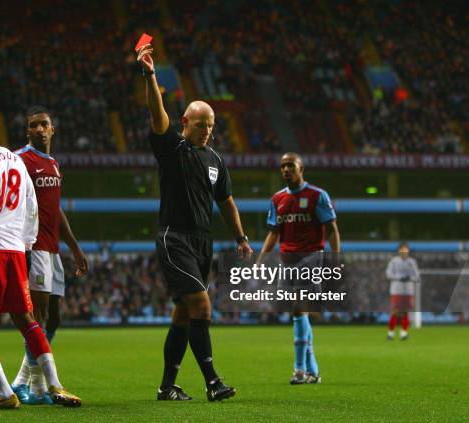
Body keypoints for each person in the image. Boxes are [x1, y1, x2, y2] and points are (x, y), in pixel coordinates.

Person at [136, 43, 253, 402]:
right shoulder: (172, 147)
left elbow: (227, 202)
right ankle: (213, 382)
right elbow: (157, 115)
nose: (206, 130)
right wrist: (151, 76)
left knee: (184, 316)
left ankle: (166, 386)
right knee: (202, 307)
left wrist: (241, 238)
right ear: (185, 122)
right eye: (200, 123)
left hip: (204, 242)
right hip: (175, 239)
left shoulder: (215, 158)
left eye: (211, 125)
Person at [0, 109, 80, 410]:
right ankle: (55, 385)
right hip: (15, 252)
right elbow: (32, 207)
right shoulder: (15, 161)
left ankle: (4, 392)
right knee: (27, 319)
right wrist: (25, 247)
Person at [11, 106, 88, 404]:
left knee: (53, 319)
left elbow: (54, 210)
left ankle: (21, 381)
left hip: (53, 249)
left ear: (53, 128)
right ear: (27, 130)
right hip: (33, 247)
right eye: (34, 125)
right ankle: (40, 389)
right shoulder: (20, 160)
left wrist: (75, 247)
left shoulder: (53, 164)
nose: (40, 129)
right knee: (39, 318)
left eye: (44, 124)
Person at [257, 152, 340, 385]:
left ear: (301, 168)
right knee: (298, 312)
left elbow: (332, 229)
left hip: (311, 257)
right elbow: (274, 231)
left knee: (298, 308)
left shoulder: (317, 196)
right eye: (282, 166)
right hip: (287, 260)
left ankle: (299, 369)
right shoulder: (277, 199)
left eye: (290, 165)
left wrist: (335, 258)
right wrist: (261, 258)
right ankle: (313, 370)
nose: (285, 170)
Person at [385, 242, 420, 340]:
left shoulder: (412, 262)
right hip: (396, 290)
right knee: (394, 311)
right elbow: (388, 274)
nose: (404, 252)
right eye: (402, 250)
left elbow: (417, 275)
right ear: (399, 251)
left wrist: (410, 278)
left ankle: (403, 333)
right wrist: (399, 277)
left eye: (406, 250)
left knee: (405, 312)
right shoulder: (394, 261)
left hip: (408, 291)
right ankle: (390, 333)